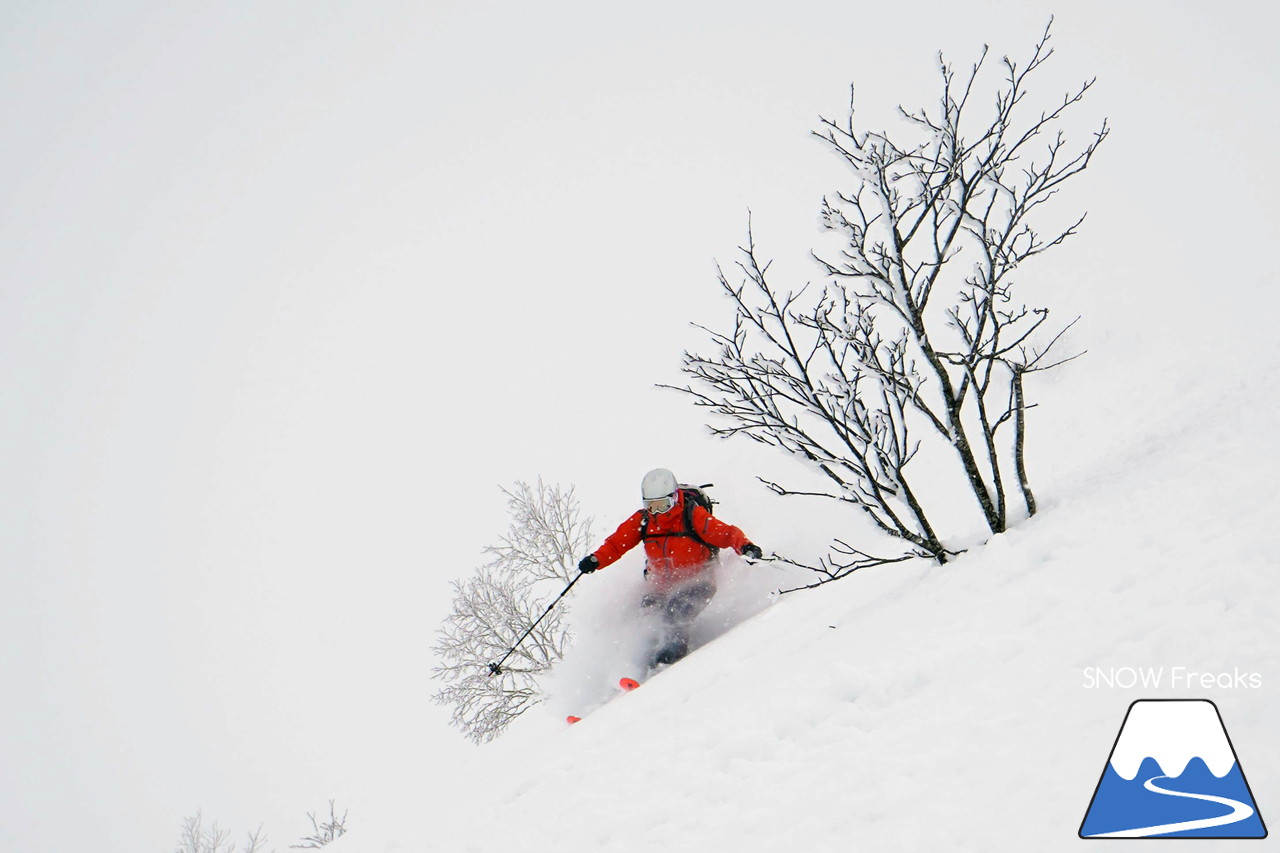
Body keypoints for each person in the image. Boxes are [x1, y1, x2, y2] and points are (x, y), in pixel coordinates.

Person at [577, 468, 763, 669]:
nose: (657, 512)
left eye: (663, 505)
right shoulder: (644, 520)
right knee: (644, 620)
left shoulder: (691, 516)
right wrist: (596, 560)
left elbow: (725, 533)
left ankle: (670, 665)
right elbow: (616, 544)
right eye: (651, 506)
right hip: (660, 585)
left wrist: (745, 546)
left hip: (699, 581)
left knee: (675, 613)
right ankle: (638, 666)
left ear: (674, 498)